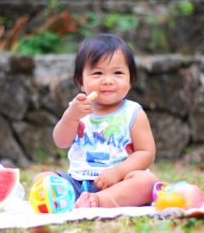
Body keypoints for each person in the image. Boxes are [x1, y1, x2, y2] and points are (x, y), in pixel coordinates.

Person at [35, 33, 158, 208]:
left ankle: (100, 200)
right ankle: (79, 200)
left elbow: (146, 153)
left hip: (119, 183)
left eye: (118, 73)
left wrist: (117, 172)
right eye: (98, 73)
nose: (108, 80)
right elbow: (61, 142)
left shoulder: (133, 113)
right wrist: (71, 117)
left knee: (147, 181)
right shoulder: (77, 108)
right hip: (78, 182)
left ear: (131, 80)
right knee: (42, 179)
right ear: (81, 82)